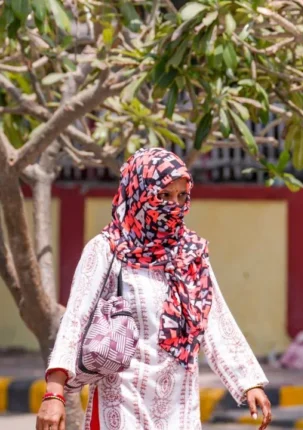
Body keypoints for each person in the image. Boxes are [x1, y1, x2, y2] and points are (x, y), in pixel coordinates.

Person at [37, 148, 273, 430]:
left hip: (179, 406)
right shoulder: (108, 249)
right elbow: (76, 318)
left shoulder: (190, 254)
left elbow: (215, 320)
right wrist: (54, 392)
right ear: (139, 193)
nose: (174, 205)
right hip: (120, 402)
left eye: (181, 196)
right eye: (164, 196)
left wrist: (249, 383)